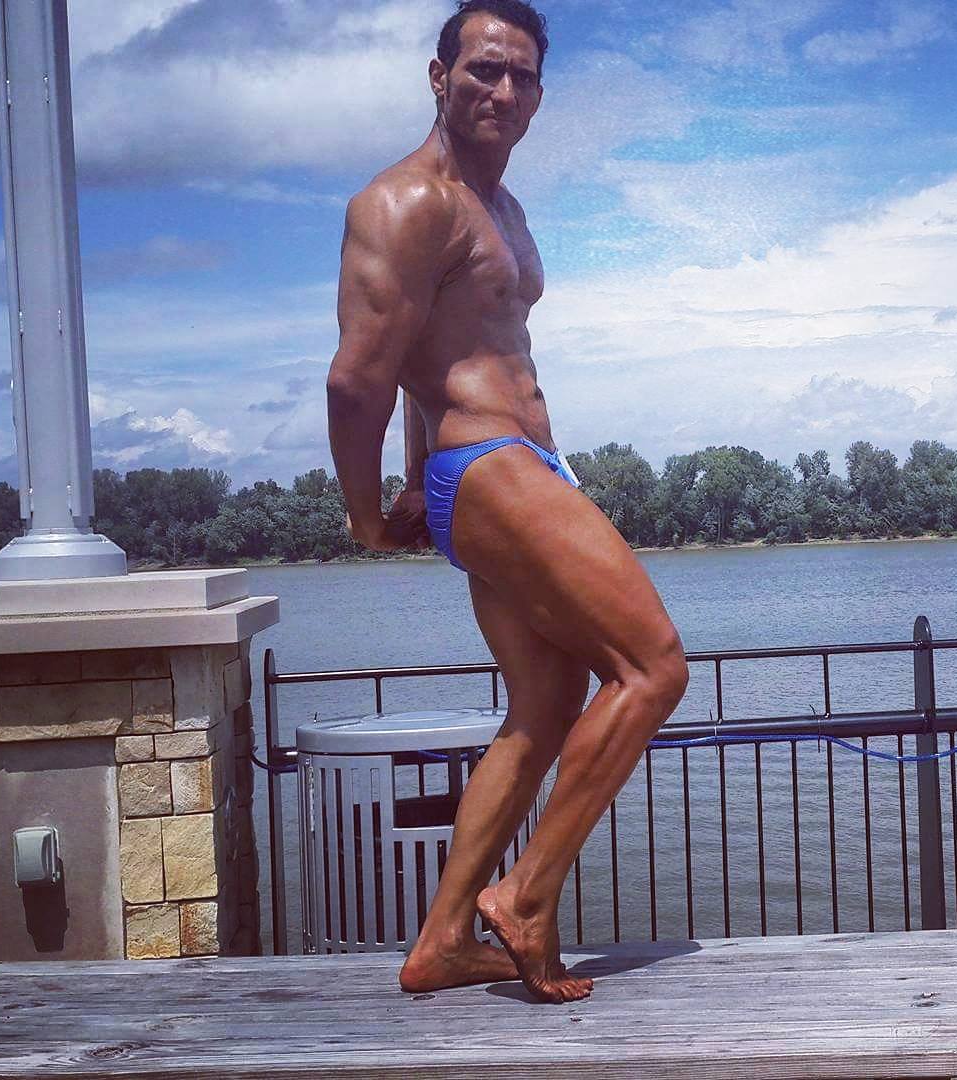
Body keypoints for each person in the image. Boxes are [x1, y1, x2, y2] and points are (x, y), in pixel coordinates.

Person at [324, 0, 688, 1004]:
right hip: (487, 466)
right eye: (483, 68)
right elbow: (359, 378)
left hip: (515, 464)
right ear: (438, 75)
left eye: (522, 75)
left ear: (538, 95)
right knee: (653, 668)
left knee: (546, 705)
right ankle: (523, 898)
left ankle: (443, 939)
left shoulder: (504, 208)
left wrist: (415, 480)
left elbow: (424, 360)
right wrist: (367, 516)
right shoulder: (406, 202)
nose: (503, 89)